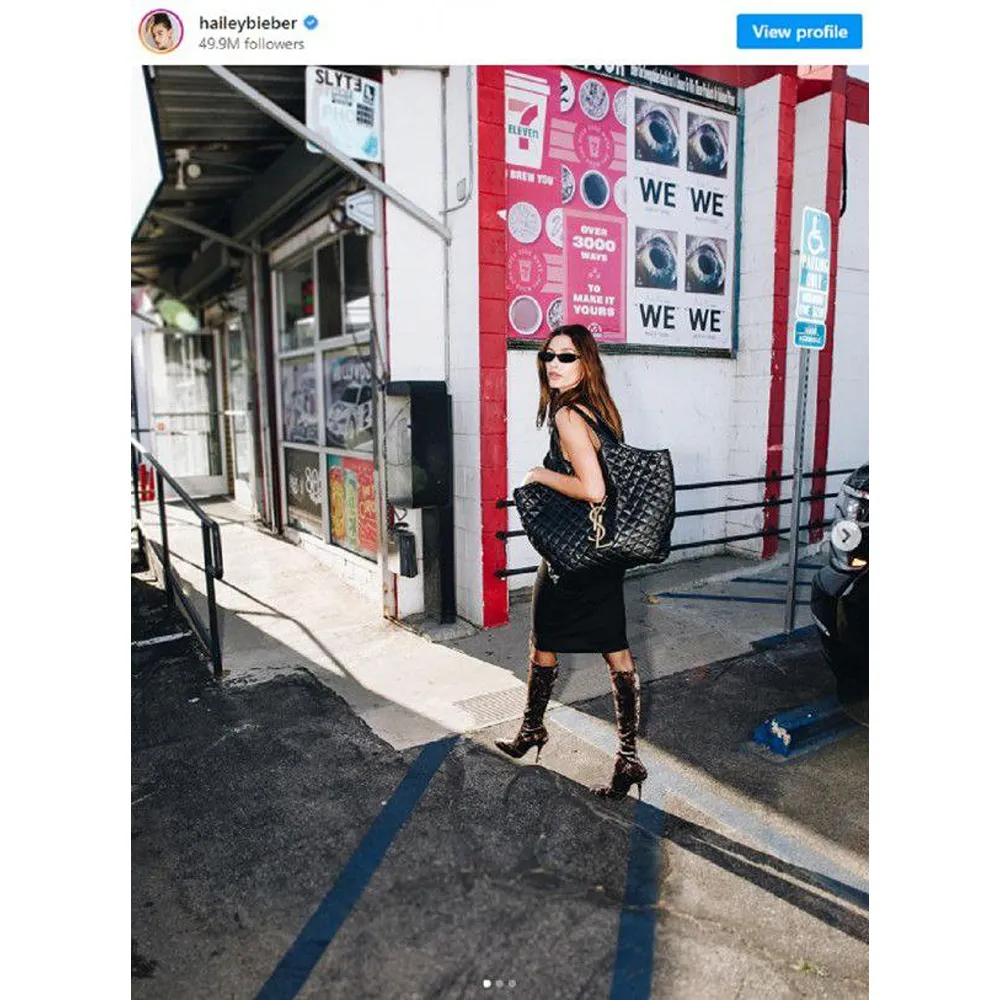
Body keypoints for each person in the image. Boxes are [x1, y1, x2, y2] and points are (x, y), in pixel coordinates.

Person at [495, 324, 648, 800]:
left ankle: (532, 729)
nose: (553, 364)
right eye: (548, 355)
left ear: (586, 363)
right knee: (616, 649)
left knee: (543, 639)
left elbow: (594, 489)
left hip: (573, 556)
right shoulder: (601, 410)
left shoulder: (567, 415)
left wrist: (540, 474)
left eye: (566, 357)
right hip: (603, 554)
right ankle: (627, 757)